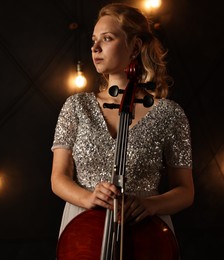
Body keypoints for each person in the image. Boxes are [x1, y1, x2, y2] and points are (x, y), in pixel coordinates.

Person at [50, 2, 194, 243]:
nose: (95, 47)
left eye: (106, 39)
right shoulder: (76, 106)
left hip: (145, 231)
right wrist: (88, 199)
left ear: (135, 46)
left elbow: (186, 191)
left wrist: (150, 204)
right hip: (84, 228)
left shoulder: (170, 114)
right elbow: (58, 178)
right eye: (94, 40)